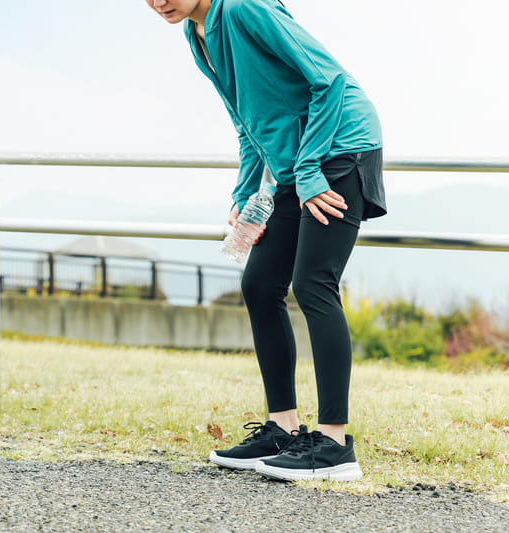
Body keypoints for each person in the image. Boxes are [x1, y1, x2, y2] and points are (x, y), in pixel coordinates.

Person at [145, 0, 386, 481]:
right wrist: (244, 190)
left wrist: (312, 169)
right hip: (295, 164)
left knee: (312, 284)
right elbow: (248, 121)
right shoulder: (197, 37)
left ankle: (335, 445)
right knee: (259, 286)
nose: (157, 2)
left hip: (339, 149)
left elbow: (329, 80)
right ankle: (283, 429)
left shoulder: (241, 9)